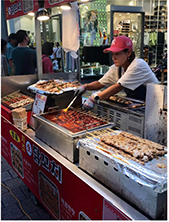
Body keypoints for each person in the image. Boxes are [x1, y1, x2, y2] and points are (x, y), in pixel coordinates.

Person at [74, 35, 159, 110]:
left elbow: (117, 87)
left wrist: (94, 98)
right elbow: (100, 83)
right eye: (112, 54)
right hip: (138, 105)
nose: (114, 58)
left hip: (155, 106)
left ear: (128, 53)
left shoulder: (138, 65)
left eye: (117, 54)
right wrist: (85, 87)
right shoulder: (117, 68)